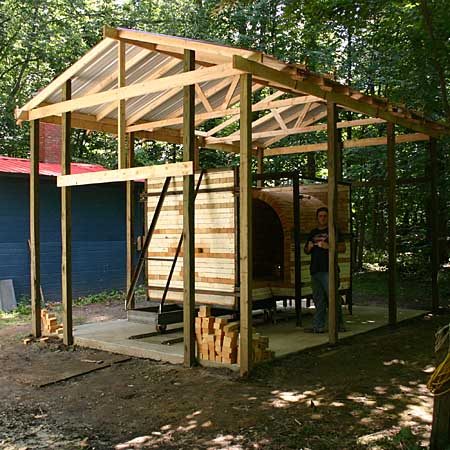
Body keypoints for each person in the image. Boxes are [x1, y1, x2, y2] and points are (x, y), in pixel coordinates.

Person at [303, 206, 346, 333]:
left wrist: (329, 246)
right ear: (317, 218)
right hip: (315, 270)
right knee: (318, 299)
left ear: (328, 218)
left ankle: (339, 325)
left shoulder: (333, 231)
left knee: (332, 298)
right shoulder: (313, 233)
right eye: (320, 216)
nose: (322, 218)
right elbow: (306, 251)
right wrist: (309, 248)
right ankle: (319, 326)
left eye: (325, 216)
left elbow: (343, 248)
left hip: (329, 270)